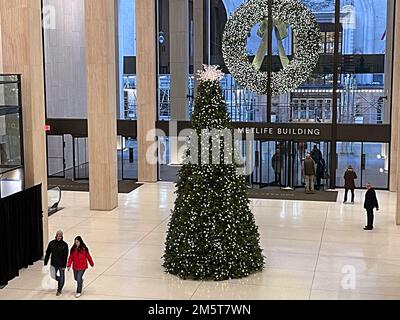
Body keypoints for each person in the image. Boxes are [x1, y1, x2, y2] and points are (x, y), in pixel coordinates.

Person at [44, 230, 69, 296]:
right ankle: (61, 281)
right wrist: (45, 262)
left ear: (62, 237)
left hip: (61, 264)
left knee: (62, 277)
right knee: (53, 276)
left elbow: (65, 256)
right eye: (58, 236)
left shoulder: (64, 245)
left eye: (60, 236)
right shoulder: (51, 243)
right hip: (53, 263)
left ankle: (59, 289)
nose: (59, 237)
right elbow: (48, 253)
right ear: (56, 236)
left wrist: (64, 265)